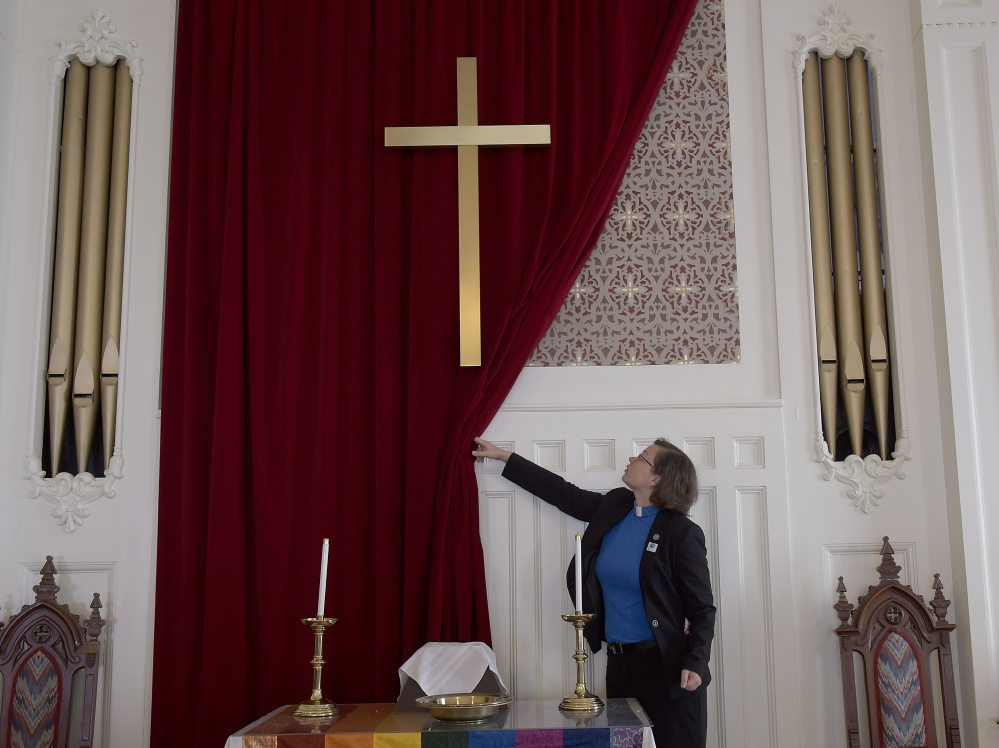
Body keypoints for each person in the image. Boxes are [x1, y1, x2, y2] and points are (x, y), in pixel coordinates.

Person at [472, 436, 714, 748]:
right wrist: (506, 458)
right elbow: (563, 493)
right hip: (620, 667)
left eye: (642, 457)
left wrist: (695, 661)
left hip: (668, 670)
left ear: (656, 478)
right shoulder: (615, 507)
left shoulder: (682, 533)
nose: (631, 458)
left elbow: (702, 609)